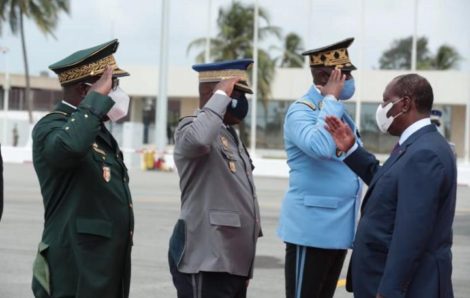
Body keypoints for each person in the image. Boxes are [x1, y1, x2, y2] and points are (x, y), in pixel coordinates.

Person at [325, 73, 457, 298]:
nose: (382, 108)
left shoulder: (424, 153)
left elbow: (411, 233)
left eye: (386, 101)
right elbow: (387, 183)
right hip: (383, 278)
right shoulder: (417, 145)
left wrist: (390, 290)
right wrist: (352, 150)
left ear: (405, 104)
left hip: (403, 286)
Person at [31, 39, 134, 298]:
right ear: (85, 90)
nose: (117, 93)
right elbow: (68, 149)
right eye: (112, 86)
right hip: (76, 263)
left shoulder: (94, 129)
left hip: (101, 262)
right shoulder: (51, 127)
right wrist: (95, 102)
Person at [168, 59, 262, 298]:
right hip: (206, 260)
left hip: (231, 261)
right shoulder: (189, 128)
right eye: (236, 93)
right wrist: (220, 95)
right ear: (213, 93)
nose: (242, 102)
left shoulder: (229, 135)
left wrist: (245, 267)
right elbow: (199, 140)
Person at [277, 37, 362, 298]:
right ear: (327, 75)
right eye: (345, 74)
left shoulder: (332, 109)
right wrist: (332, 98)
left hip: (336, 229)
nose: (350, 80)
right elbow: (320, 147)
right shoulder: (302, 111)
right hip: (311, 231)